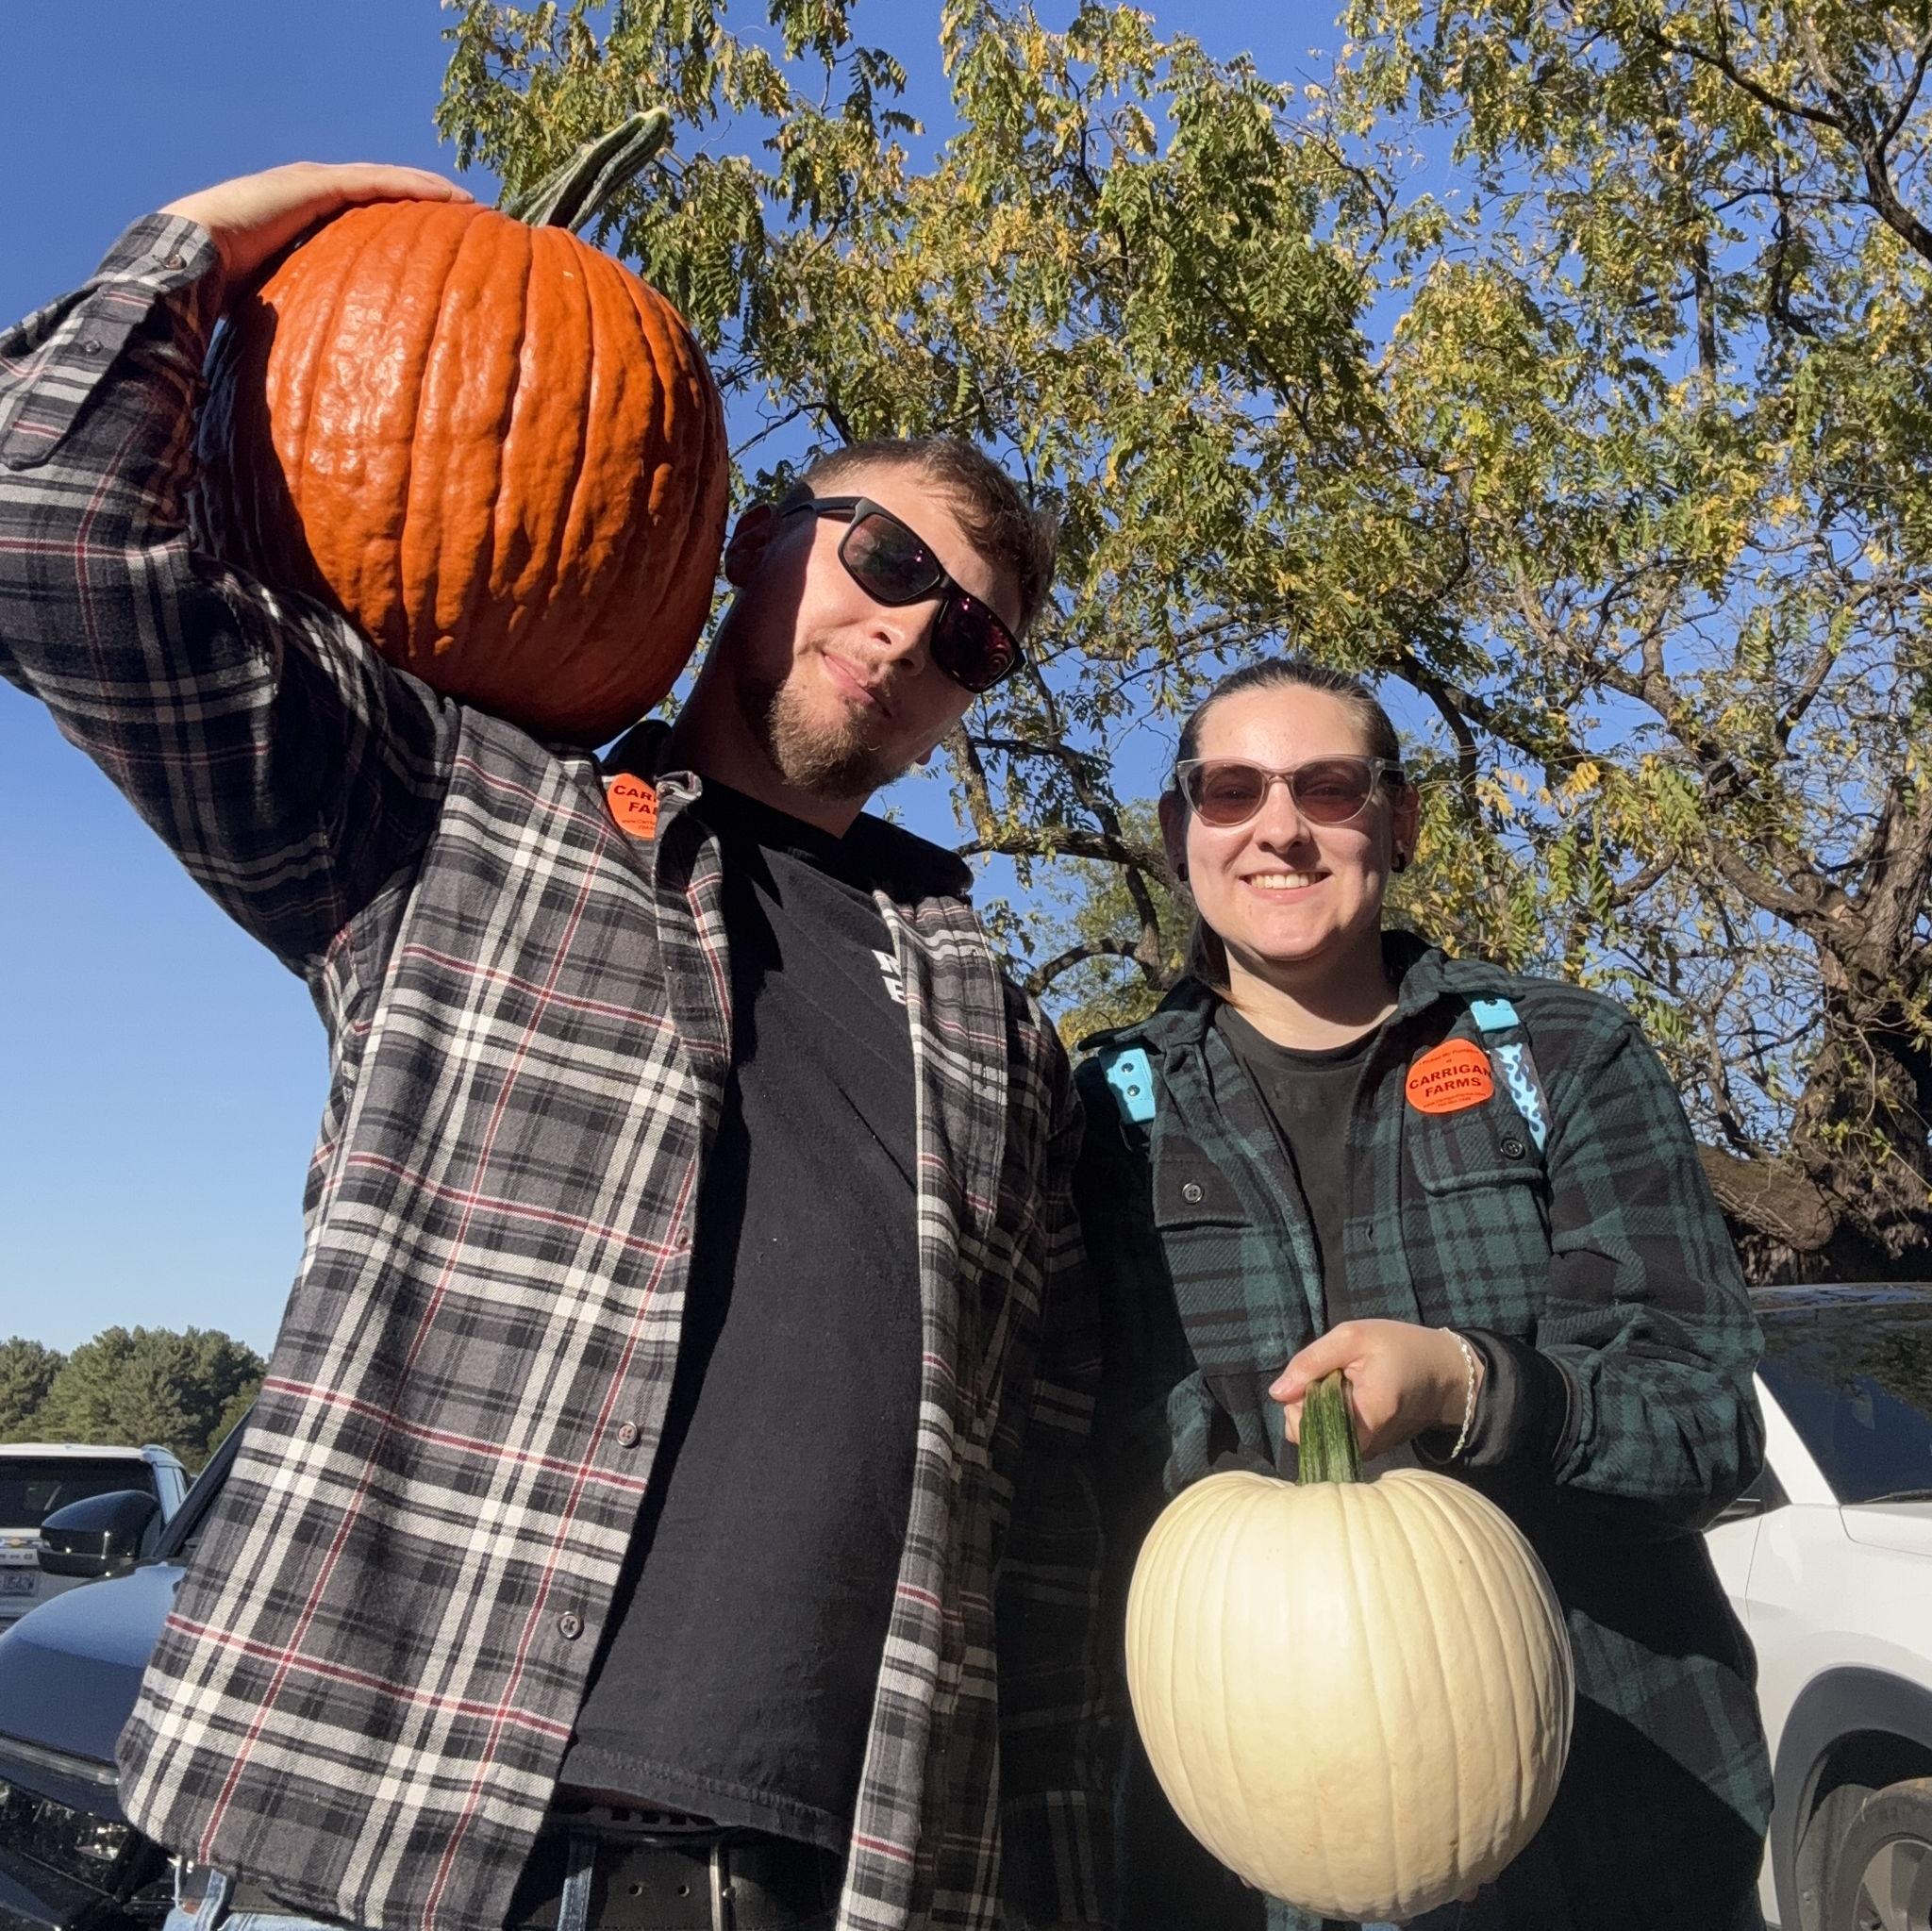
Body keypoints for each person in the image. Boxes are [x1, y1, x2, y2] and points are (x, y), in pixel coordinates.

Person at [0, 163, 1110, 1931]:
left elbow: (1045, 1482)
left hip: (837, 1868)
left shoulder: (998, 1033)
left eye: (970, 638)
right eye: (884, 559)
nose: (908, 629)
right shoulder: (455, 812)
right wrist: (247, 224)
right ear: (756, 534)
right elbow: (47, 536)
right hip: (401, 1839)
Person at [1074, 658, 1771, 1931]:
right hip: (1240, 1859)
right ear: (1182, 838)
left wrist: (1471, 1387)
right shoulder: (1096, 1115)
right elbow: (1064, 1460)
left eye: (1327, 786)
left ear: (1396, 823)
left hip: (1614, 1836)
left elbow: (1710, 1425)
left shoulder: (1564, 1057)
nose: (1277, 825)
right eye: (1230, 791)